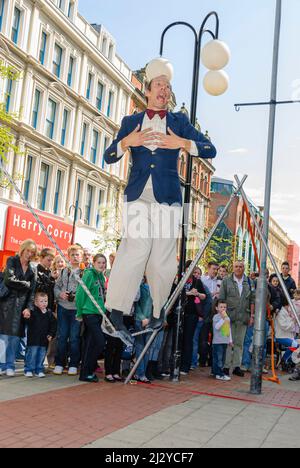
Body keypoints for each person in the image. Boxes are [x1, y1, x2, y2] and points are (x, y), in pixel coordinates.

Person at [104, 57, 217, 341]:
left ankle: (157, 313)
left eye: (168, 87)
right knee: (135, 250)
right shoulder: (131, 121)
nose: (164, 91)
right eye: (159, 85)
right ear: (148, 90)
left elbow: (210, 149)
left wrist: (181, 143)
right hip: (139, 194)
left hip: (167, 197)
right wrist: (127, 142)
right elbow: (109, 155)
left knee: (162, 260)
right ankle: (115, 312)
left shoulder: (178, 122)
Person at [0, 240, 37, 377]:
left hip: (21, 306)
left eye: (32, 252)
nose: (29, 254)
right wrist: (25, 284)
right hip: (6, 304)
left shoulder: (33, 269)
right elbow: (8, 280)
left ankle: (10, 365)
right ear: (22, 249)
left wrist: (29, 308)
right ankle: (1, 365)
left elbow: (32, 292)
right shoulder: (12, 260)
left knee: (15, 338)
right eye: (28, 250)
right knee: (3, 337)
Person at [219, 261, 255, 377]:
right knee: (228, 342)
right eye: (236, 266)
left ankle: (236, 366)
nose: (239, 268)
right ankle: (226, 366)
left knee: (239, 342)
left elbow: (252, 301)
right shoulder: (226, 281)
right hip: (228, 317)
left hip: (243, 317)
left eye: (241, 266)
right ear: (232, 268)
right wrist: (223, 316)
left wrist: (252, 316)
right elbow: (221, 299)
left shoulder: (249, 282)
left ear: (244, 268)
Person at [76, 254, 107, 383]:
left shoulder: (101, 277)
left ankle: (85, 373)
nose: (101, 265)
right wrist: (79, 313)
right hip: (89, 313)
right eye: (99, 262)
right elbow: (80, 294)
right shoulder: (89, 274)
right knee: (100, 342)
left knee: (90, 344)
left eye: (103, 263)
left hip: (98, 314)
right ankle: (88, 369)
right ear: (93, 263)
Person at [53, 245, 84, 376]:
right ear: (68, 257)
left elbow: (88, 291)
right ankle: (59, 363)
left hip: (76, 309)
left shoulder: (85, 272)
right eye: (72, 255)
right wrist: (60, 294)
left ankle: (73, 364)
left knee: (74, 338)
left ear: (81, 257)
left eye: (77, 255)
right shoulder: (65, 271)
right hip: (63, 308)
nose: (75, 257)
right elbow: (56, 286)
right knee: (61, 336)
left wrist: (78, 296)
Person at [180, 262, 206, 376]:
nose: (190, 271)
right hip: (179, 313)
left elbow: (204, 296)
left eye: (192, 269)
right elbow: (176, 293)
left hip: (192, 314)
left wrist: (197, 294)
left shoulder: (197, 281)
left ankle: (185, 366)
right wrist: (189, 293)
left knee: (188, 339)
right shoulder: (180, 279)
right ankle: (176, 363)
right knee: (179, 339)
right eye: (188, 268)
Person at [23, 292, 56, 378]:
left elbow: (53, 324)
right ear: (36, 303)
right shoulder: (33, 311)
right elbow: (29, 322)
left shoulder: (49, 313)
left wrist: (51, 334)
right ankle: (29, 369)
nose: (44, 303)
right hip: (33, 339)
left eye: (46, 301)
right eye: (41, 301)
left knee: (41, 355)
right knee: (32, 354)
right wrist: (27, 317)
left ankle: (39, 369)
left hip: (44, 340)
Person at [212, 300, 233, 381]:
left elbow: (229, 329)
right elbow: (217, 327)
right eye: (221, 307)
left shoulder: (227, 317)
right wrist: (223, 319)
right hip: (217, 342)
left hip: (225, 341)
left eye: (224, 307)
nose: (223, 309)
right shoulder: (216, 317)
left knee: (222, 358)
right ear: (217, 308)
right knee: (218, 358)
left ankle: (216, 372)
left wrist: (230, 340)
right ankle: (219, 374)